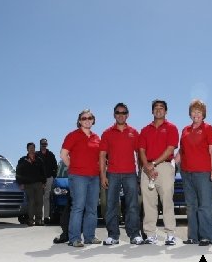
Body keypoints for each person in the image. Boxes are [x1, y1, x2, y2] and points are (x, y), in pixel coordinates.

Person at [54, 109, 101, 247]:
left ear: (93, 120)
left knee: (92, 208)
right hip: (78, 177)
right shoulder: (72, 135)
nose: (87, 120)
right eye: (84, 118)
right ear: (79, 121)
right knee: (78, 207)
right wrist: (73, 167)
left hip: (94, 177)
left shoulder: (96, 137)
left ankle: (89, 237)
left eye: (90, 118)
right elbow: (63, 154)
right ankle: (74, 238)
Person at [99, 103, 143, 245]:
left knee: (132, 205)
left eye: (123, 113)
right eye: (118, 112)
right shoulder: (107, 133)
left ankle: (134, 234)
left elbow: (140, 154)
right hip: (112, 174)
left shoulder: (134, 132)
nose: (121, 115)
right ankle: (113, 235)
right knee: (111, 205)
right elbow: (102, 155)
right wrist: (103, 175)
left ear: (127, 115)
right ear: (114, 115)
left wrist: (140, 175)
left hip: (130, 174)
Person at [139, 99, 179, 245]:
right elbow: (141, 150)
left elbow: (170, 149)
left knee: (167, 200)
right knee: (148, 202)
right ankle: (150, 235)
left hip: (164, 167)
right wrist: (147, 167)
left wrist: (154, 164)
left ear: (166, 111)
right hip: (146, 168)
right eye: (155, 108)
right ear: (152, 111)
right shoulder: (145, 130)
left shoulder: (171, 128)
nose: (158, 110)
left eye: (161, 108)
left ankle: (170, 234)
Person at [179, 99, 212, 246]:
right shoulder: (185, 130)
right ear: (190, 114)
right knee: (191, 206)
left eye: (199, 111)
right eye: (193, 111)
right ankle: (193, 236)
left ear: (203, 114)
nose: (196, 114)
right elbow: (181, 151)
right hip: (186, 173)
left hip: (203, 173)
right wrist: (171, 164)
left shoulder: (208, 128)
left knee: (205, 206)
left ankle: (206, 237)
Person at [16, 142, 47, 226]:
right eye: (30, 148)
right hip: (28, 185)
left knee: (39, 202)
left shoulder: (39, 159)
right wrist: (20, 183)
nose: (32, 149)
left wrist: (44, 182)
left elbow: (43, 172)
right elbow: (18, 172)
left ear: (35, 149)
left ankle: (39, 220)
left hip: (38, 184)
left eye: (33, 148)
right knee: (31, 202)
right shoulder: (22, 160)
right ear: (27, 149)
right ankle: (30, 220)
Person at [39, 138, 58, 224]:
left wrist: (53, 176)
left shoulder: (51, 155)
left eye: (45, 144)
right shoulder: (37, 155)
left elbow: (55, 166)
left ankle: (46, 217)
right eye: (42, 144)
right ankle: (39, 217)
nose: (44, 145)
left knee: (46, 198)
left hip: (49, 178)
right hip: (39, 179)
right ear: (40, 144)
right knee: (39, 198)